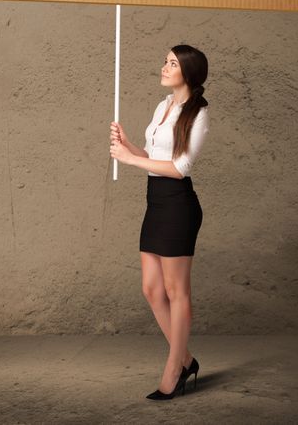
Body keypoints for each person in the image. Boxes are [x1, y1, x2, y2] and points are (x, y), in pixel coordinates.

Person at [110, 44, 209, 400]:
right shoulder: (162, 106)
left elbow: (180, 169)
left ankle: (174, 367)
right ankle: (186, 359)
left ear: (188, 72)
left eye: (172, 63)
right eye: (165, 60)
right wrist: (129, 145)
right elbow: (154, 157)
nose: (164, 67)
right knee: (151, 289)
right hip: (155, 204)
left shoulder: (197, 114)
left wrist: (129, 160)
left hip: (179, 208)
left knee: (175, 291)